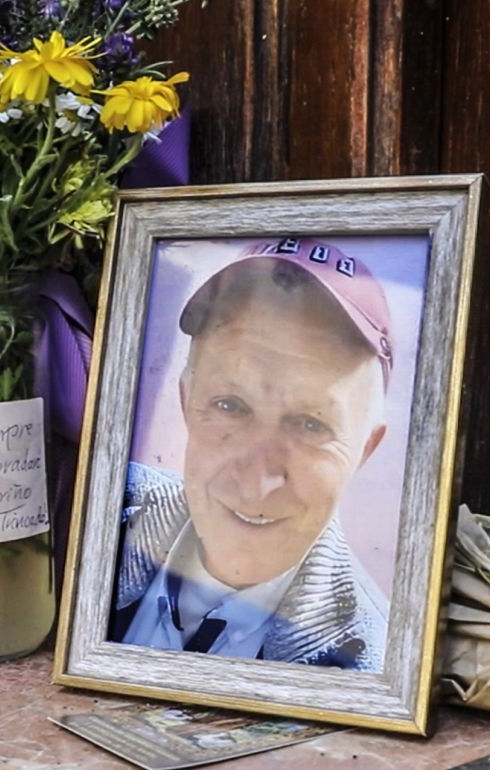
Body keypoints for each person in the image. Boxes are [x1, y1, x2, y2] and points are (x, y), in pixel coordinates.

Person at [109, 237, 396, 671]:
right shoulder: (98, 515)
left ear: (365, 449)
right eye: (229, 405)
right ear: (187, 401)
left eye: (311, 424)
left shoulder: (376, 661)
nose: (257, 480)